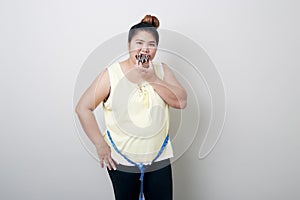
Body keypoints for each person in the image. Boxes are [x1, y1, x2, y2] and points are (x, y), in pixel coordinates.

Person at [75, 14, 187, 200]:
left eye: (151, 44)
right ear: (129, 46)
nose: (145, 49)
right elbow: (83, 108)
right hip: (122, 162)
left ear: (156, 48)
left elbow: (181, 102)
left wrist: (152, 79)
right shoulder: (111, 74)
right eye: (139, 43)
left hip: (159, 159)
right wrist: (100, 145)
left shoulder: (162, 70)